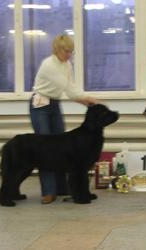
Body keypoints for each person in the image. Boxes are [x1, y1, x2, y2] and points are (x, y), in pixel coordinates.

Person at [29, 34, 99, 204]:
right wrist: (89, 99)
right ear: (58, 49)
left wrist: (87, 101)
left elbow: (72, 87)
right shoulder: (49, 65)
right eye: (67, 51)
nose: (69, 55)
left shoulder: (66, 65)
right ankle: (48, 191)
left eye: (71, 52)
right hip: (40, 105)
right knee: (45, 149)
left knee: (60, 148)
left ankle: (62, 188)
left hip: (54, 104)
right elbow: (68, 89)